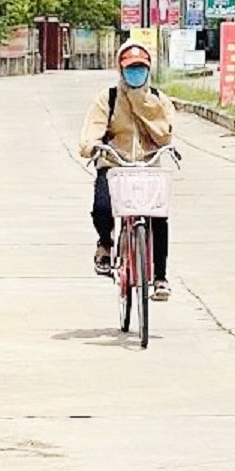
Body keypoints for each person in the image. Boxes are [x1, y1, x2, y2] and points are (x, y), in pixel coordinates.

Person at [80, 42, 177, 300]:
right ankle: (105, 242)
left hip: (146, 165)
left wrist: (143, 105)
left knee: (159, 218)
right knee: (102, 206)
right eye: (131, 68)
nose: (136, 73)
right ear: (121, 70)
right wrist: (93, 146)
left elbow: (165, 136)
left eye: (141, 68)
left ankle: (160, 277)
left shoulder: (158, 99)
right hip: (115, 164)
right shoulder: (108, 99)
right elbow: (92, 131)